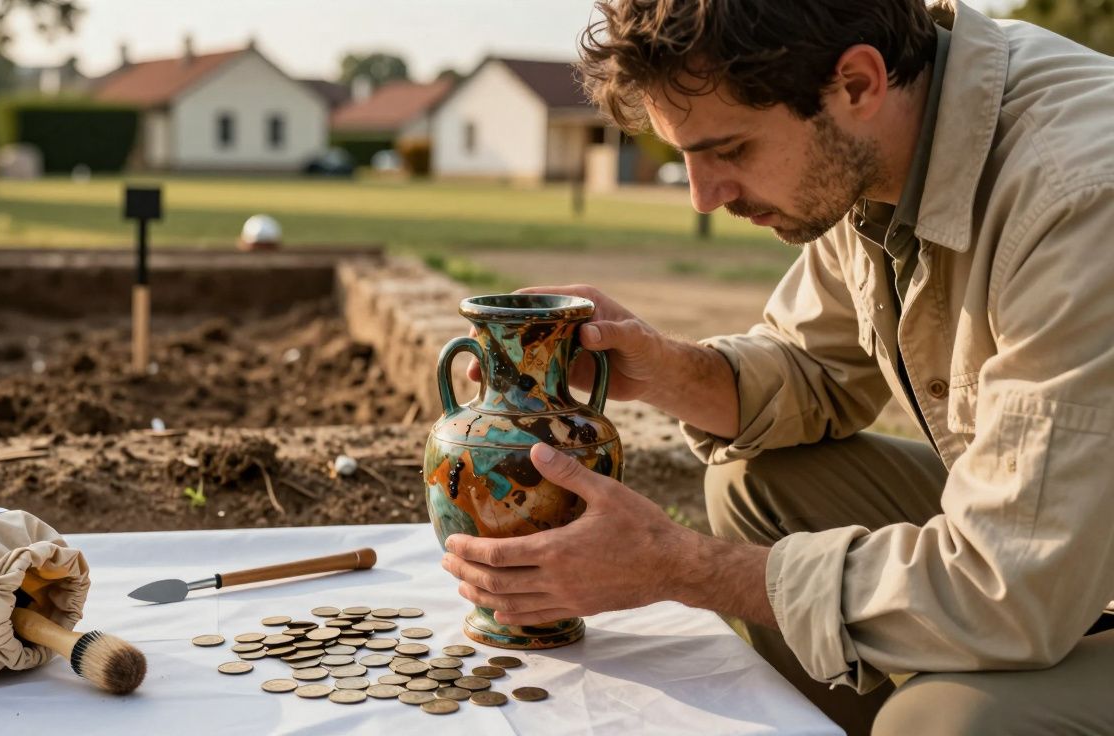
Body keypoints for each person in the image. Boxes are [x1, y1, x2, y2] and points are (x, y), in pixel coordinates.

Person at [440, 1, 1114, 733]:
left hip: (1057, 574)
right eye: (685, 156)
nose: (704, 196)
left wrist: (680, 568)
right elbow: (810, 369)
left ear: (856, 83)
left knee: (944, 723)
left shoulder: (1077, 196)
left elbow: (1013, 587)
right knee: (757, 486)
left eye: (729, 151)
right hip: (1075, 541)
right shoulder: (887, 136)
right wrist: (660, 366)